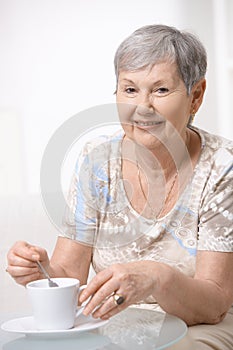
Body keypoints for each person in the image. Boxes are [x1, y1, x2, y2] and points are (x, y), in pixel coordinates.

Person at [6, 24, 233, 349]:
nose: (142, 107)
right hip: (112, 325)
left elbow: (215, 302)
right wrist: (40, 272)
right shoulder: (97, 161)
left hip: (195, 325)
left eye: (160, 90)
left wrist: (156, 276)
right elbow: (70, 271)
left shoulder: (223, 166)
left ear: (196, 95)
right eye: (129, 90)